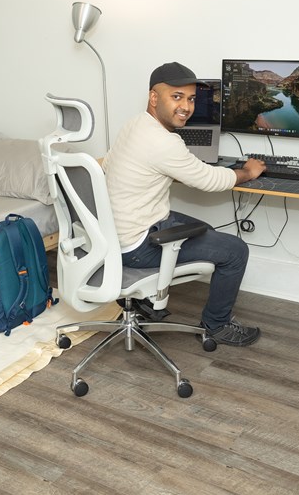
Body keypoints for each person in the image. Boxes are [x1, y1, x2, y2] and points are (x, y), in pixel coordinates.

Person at [103, 62, 267, 346]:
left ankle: (145, 303)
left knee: (203, 228)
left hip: (114, 233)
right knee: (236, 250)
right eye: (176, 97)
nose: (187, 107)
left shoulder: (134, 124)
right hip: (136, 246)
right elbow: (209, 180)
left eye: (191, 99)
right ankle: (216, 326)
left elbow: (111, 162)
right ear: (154, 98)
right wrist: (249, 172)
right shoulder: (163, 143)